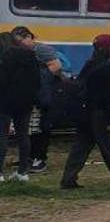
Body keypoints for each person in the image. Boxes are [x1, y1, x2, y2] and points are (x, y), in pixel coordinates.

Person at [60, 35, 110, 189]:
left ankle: (68, 179)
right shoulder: (108, 68)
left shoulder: (89, 64)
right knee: (109, 147)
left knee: (80, 148)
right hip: (99, 115)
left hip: (84, 112)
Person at [0, 30, 41, 182]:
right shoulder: (30, 56)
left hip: (4, 101)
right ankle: (23, 172)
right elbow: (37, 80)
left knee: (2, 136)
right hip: (25, 102)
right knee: (23, 136)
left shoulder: (4, 58)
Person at [25, 27, 66, 174]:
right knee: (33, 127)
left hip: (43, 95)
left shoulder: (41, 51)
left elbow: (56, 67)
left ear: (29, 37)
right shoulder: (29, 52)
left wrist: (39, 81)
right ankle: (31, 157)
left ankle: (39, 159)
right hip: (38, 95)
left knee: (40, 128)